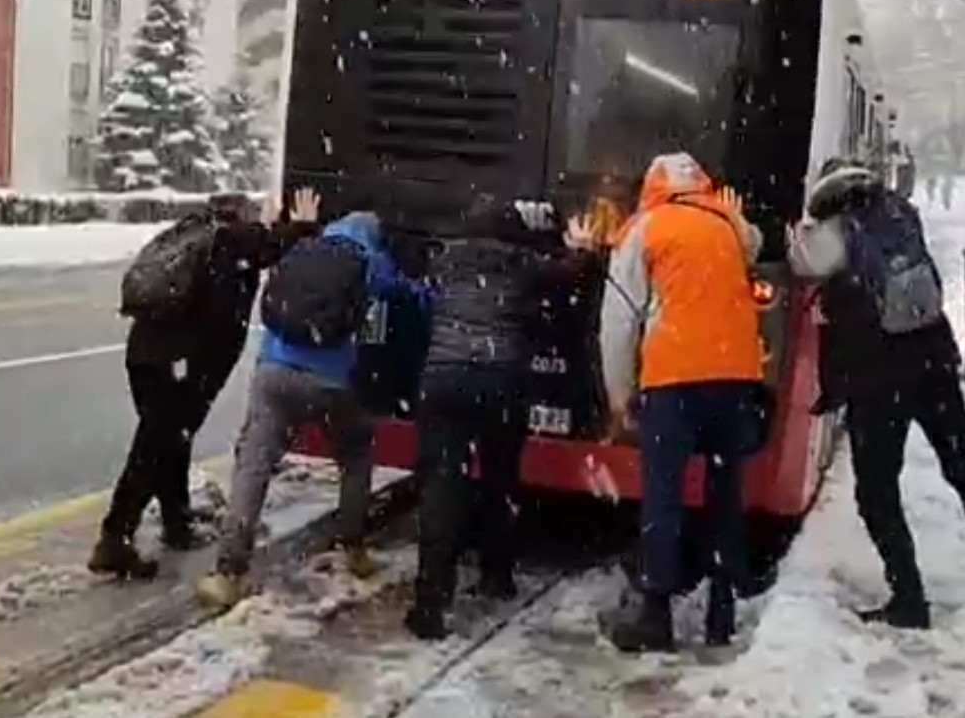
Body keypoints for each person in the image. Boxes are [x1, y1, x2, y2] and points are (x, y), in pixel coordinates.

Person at [788, 160, 965, 628]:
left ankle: (908, 597)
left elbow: (798, 266)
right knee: (963, 466)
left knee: (877, 492)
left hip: (877, 377)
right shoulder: (901, 213)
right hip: (933, 361)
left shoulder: (834, 233)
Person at [196, 205, 431, 608]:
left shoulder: (303, 249)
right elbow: (411, 300)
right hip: (333, 381)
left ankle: (227, 572)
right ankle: (352, 548)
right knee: (356, 455)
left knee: (254, 466)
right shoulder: (371, 261)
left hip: (273, 371)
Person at [89, 190, 321, 580]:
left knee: (169, 440)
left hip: (147, 355)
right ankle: (115, 538)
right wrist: (301, 225)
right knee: (155, 448)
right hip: (178, 361)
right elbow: (269, 246)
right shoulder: (230, 241)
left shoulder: (194, 234)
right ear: (241, 217)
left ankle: (175, 521)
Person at [402, 197, 600, 640]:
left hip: (442, 379)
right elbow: (571, 278)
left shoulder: (443, 260)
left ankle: (431, 600)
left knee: (441, 485)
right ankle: (496, 573)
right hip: (499, 381)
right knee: (500, 476)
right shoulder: (523, 264)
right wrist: (584, 251)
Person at [598, 152, 764, 652]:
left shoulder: (645, 227)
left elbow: (619, 321)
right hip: (736, 377)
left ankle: (655, 613)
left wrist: (619, 395)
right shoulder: (728, 224)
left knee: (663, 494)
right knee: (725, 494)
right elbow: (755, 245)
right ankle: (722, 610)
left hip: (674, 378)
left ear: (652, 187)